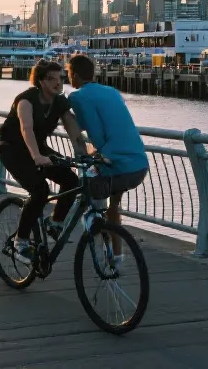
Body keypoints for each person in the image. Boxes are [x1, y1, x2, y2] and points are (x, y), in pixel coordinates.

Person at [0, 59, 85, 262]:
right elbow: (26, 129)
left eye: (60, 78)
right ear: (40, 81)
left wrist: (84, 156)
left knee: (71, 180)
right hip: (13, 149)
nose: (58, 83)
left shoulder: (60, 101)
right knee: (40, 190)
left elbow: (74, 132)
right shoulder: (26, 100)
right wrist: (37, 157)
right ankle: (19, 242)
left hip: (39, 147)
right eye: (51, 79)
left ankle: (54, 222)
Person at [67, 54, 149, 260]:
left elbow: (96, 135)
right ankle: (116, 256)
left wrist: (66, 118)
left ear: (74, 75)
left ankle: (93, 221)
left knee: (85, 186)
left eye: (68, 74)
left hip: (117, 167)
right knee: (113, 207)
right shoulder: (111, 91)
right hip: (138, 166)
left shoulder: (77, 97)